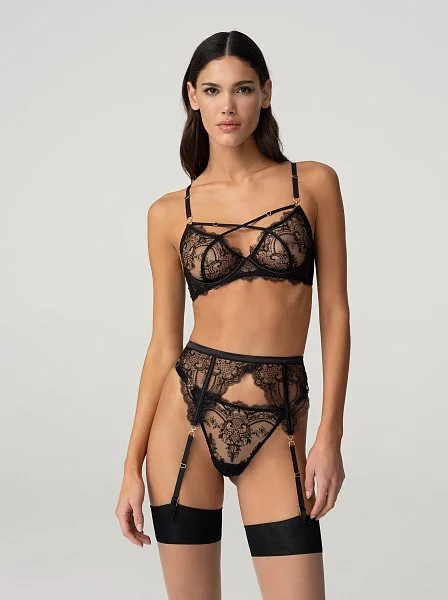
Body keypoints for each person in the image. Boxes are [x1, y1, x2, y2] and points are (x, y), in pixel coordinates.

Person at [115, 30, 349, 600]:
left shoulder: (312, 183)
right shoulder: (169, 213)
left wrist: (329, 436)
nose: (228, 106)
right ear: (192, 96)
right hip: (185, 419)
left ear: (265, 94)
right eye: (213, 90)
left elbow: (336, 314)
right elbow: (164, 344)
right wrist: (129, 467)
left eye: (242, 89)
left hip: (279, 417)